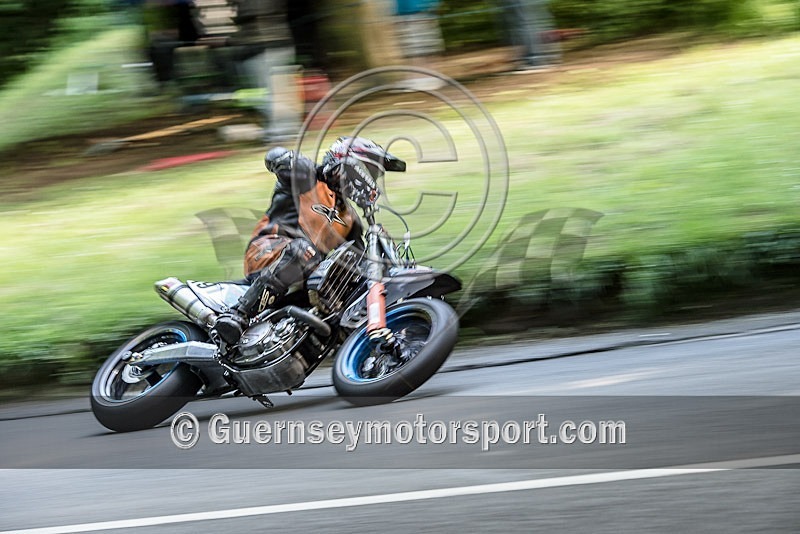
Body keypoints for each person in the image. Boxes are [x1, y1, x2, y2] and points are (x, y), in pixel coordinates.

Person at [212, 137, 406, 347]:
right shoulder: (307, 177)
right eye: (370, 172)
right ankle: (237, 315)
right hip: (267, 253)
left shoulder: (350, 219)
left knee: (345, 282)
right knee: (306, 252)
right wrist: (320, 170)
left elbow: (358, 262)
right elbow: (274, 157)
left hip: (305, 275)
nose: (371, 180)